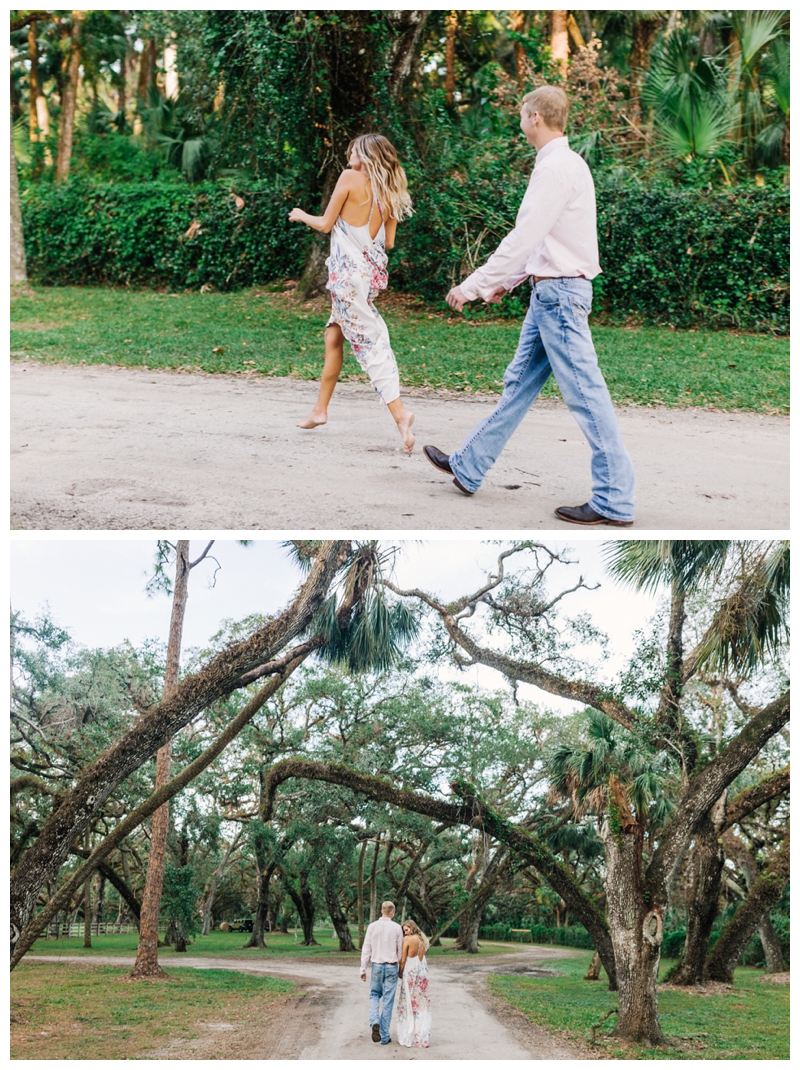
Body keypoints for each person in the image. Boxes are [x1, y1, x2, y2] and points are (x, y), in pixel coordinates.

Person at [423, 85, 635, 525]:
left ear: (534, 116)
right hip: (550, 294)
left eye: (522, 112)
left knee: (587, 397)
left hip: (560, 299)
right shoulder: (564, 164)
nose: (520, 119)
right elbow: (548, 240)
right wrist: (513, 282)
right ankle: (469, 466)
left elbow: (523, 237)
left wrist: (475, 285)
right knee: (518, 384)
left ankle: (614, 499)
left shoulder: (557, 168)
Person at [289, 133, 416, 453]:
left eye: (353, 149)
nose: (349, 153)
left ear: (365, 154)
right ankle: (319, 410)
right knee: (334, 337)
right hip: (365, 278)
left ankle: (401, 416)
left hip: (346, 280)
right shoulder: (389, 192)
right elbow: (388, 244)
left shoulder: (349, 177)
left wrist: (300, 214)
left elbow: (324, 223)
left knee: (371, 345)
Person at [359, 899, 404, 1045]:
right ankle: (384, 1036)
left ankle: (374, 1022)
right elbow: (400, 950)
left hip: (377, 966)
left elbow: (366, 948)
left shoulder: (372, 927)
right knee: (388, 1001)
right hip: (391, 966)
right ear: (392, 912)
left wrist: (363, 968)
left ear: (381, 911)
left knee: (374, 995)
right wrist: (399, 969)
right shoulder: (397, 928)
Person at [396, 919, 432, 1048]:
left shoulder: (408, 940)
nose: (405, 933)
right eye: (404, 931)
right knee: (421, 1005)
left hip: (410, 973)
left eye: (407, 930)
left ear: (412, 927)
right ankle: (421, 1037)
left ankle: (408, 1035)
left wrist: (400, 972)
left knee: (408, 1003)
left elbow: (404, 960)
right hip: (422, 974)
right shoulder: (423, 939)